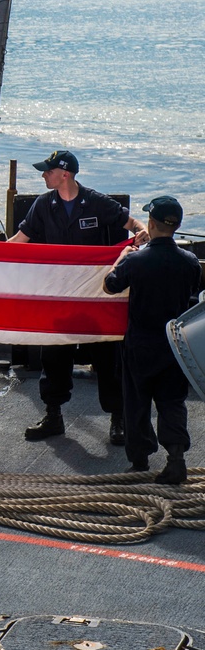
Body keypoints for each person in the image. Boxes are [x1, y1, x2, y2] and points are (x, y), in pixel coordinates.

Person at [7, 150, 149, 444]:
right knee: (54, 356)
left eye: (48, 171)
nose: (43, 175)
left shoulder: (96, 202)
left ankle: (118, 418)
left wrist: (143, 231)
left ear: (65, 174)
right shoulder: (43, 205)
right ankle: (53, 415)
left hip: (98, 295)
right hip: (61, 296)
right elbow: (20, 242)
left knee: (107, 359)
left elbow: (132, 224)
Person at [103, 196, 203, 484]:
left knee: (137, 401)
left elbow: (110, 286)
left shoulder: (136, 260)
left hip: (141, 343)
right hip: (175, 345)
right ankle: (176, 459)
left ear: (151, 223)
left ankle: (139, 462)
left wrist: (120, 259)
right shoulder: (190, 262)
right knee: (172, 401)